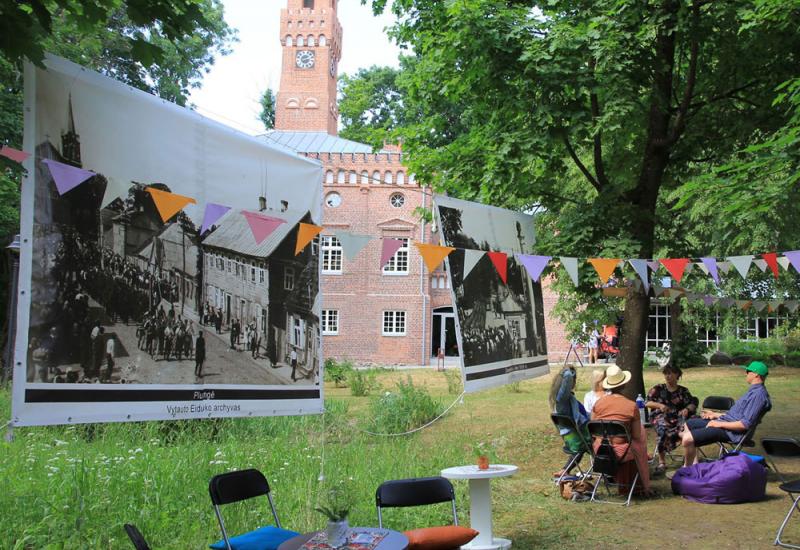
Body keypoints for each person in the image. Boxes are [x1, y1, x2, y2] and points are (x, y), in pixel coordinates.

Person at [679, 361, 771, 468]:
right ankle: (693, 465)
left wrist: (718, 424)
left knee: (687, 439)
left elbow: (744, 425)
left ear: (756, 374)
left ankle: (687, 470)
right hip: (725, 424)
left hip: (732, 433)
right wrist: (716, 415)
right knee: (689, 424)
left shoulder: (758, 396)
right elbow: (736, 416)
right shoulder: (753, 391)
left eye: (747, 371)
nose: (745, 374)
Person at [591, 365, 652, 496]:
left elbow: (593, 428)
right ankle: (641, 485)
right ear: (624, 384)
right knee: (640, 441)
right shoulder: (631, 406)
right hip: (621, 451)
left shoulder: (598, 403)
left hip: (600, 448)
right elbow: (635, 435)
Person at [645, 364, 696, 474]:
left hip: (678, 417)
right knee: (662, 427)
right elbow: (647, 403)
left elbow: (692, 404)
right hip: (661, 416)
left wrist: (687, 409)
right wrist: (659, 406)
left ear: (677, 374)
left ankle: (691, 460)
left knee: (691, 425)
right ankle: (662, 462)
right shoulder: (658, 388)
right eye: (665, 373)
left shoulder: (683, 391)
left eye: (670, 373)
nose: (667, 376)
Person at [549, 366, 590, 477]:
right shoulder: (562, 399)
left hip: (577, 435)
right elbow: (567, 377)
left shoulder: (567, 399)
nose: (573, 382)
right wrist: (568, 372)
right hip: (579, 436)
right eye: (573, 380)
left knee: (581, 448)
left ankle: (564, 470)